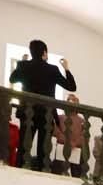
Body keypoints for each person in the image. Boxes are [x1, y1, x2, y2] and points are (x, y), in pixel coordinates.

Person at [9, 40, 76, 171]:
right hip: (46, 114)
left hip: (27, 113)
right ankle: (42, 171)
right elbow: (71, 86)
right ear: (44, 52)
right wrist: (66, 69)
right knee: (43, 151)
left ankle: (18, 170)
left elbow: (12, 79)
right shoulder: (52, 69)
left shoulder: (23, 66)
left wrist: (21, 63)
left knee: (23, 147)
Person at [52, 93, 87, 176]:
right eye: (69, 100)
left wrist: (74, 143)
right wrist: (66, 141)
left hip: (76, 150)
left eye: (74, 101)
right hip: (62, 148)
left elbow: (84, 136)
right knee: (56, 172)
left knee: (77, 174)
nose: (71, 102)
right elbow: (55, 131)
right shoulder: (60, 118)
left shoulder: (82, 121)